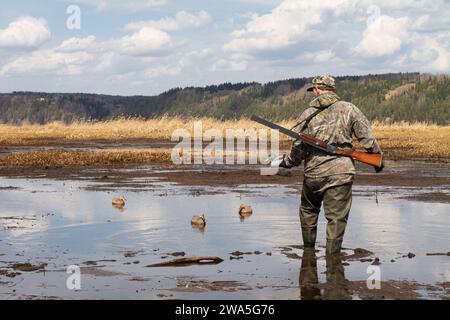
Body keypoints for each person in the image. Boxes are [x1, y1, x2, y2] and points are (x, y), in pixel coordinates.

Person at [278, 75, 383, 255]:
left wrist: (287, 162)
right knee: (336, 219)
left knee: (308, 212)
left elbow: (299, 148)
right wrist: (377, 158)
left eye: (314, 91)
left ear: (317, 90)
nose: (314, 94)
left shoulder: (307, 114)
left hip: (314, 174)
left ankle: (308, 255)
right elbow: (368, 139)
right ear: (332, 89)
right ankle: (333, 260)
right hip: (341, 174)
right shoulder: (350, 109)